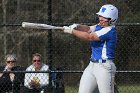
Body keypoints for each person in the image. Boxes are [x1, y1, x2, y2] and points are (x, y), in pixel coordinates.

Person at [63, 4, 118, 93]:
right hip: (92, 65)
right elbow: (88, 29)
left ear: (112, 19)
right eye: (100, 16)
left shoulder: (109, 30)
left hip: (104, 67)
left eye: (104, 17)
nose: (101, 19)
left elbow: (90, 37)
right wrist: (77, 26)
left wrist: (71, 31)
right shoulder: (100, 25)